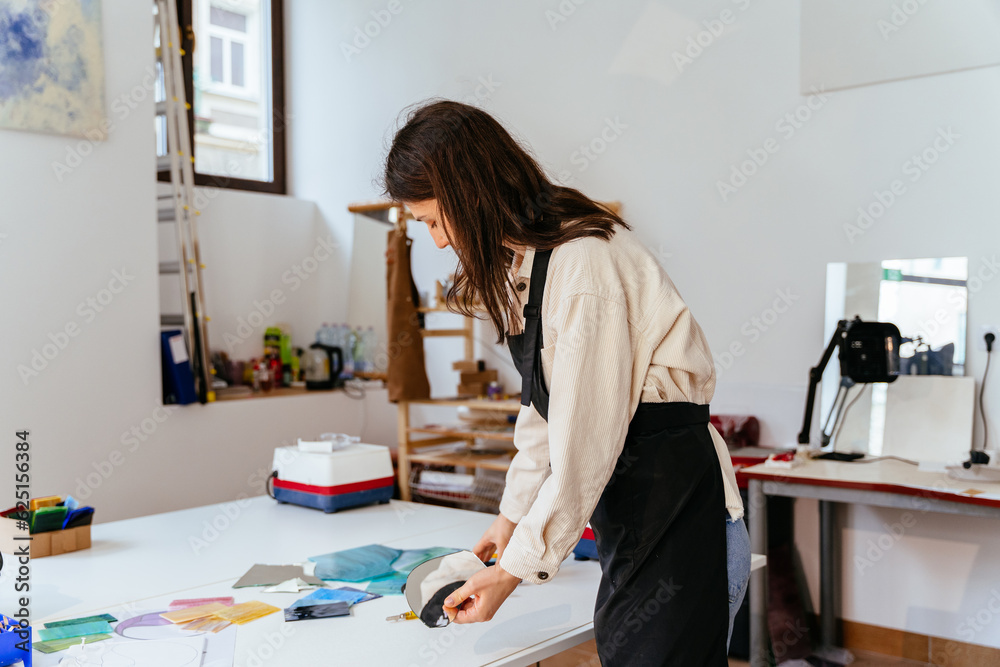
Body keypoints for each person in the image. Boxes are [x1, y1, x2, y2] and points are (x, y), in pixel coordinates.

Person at [383, 100, 750, 666]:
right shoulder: (530, 268)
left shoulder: (580, 265)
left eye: (433, 220)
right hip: (632, 499)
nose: (436, 242)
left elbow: (581, 450)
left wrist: (510, 575)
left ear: (467, 192)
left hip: (672, 498)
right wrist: (509, 519)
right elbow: (543, 411)